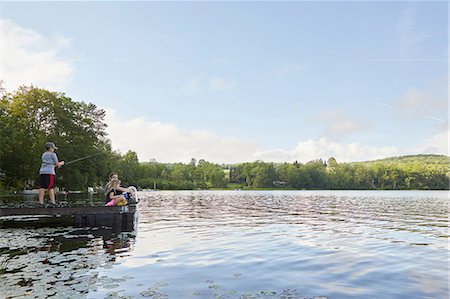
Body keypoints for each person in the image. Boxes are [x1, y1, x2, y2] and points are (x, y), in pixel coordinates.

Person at [38, 142, 64, 207]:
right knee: (51, 187)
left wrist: (55, 165)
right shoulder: (53, 154)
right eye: (53, 148)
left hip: (42, 172)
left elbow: (49, 163)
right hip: (49, 173)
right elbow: (57, 164)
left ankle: (40, 202)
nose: (54, 149)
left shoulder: (43, 154)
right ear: (50, 148)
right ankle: (53, 202)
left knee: (42, 187)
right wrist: (62, 163)